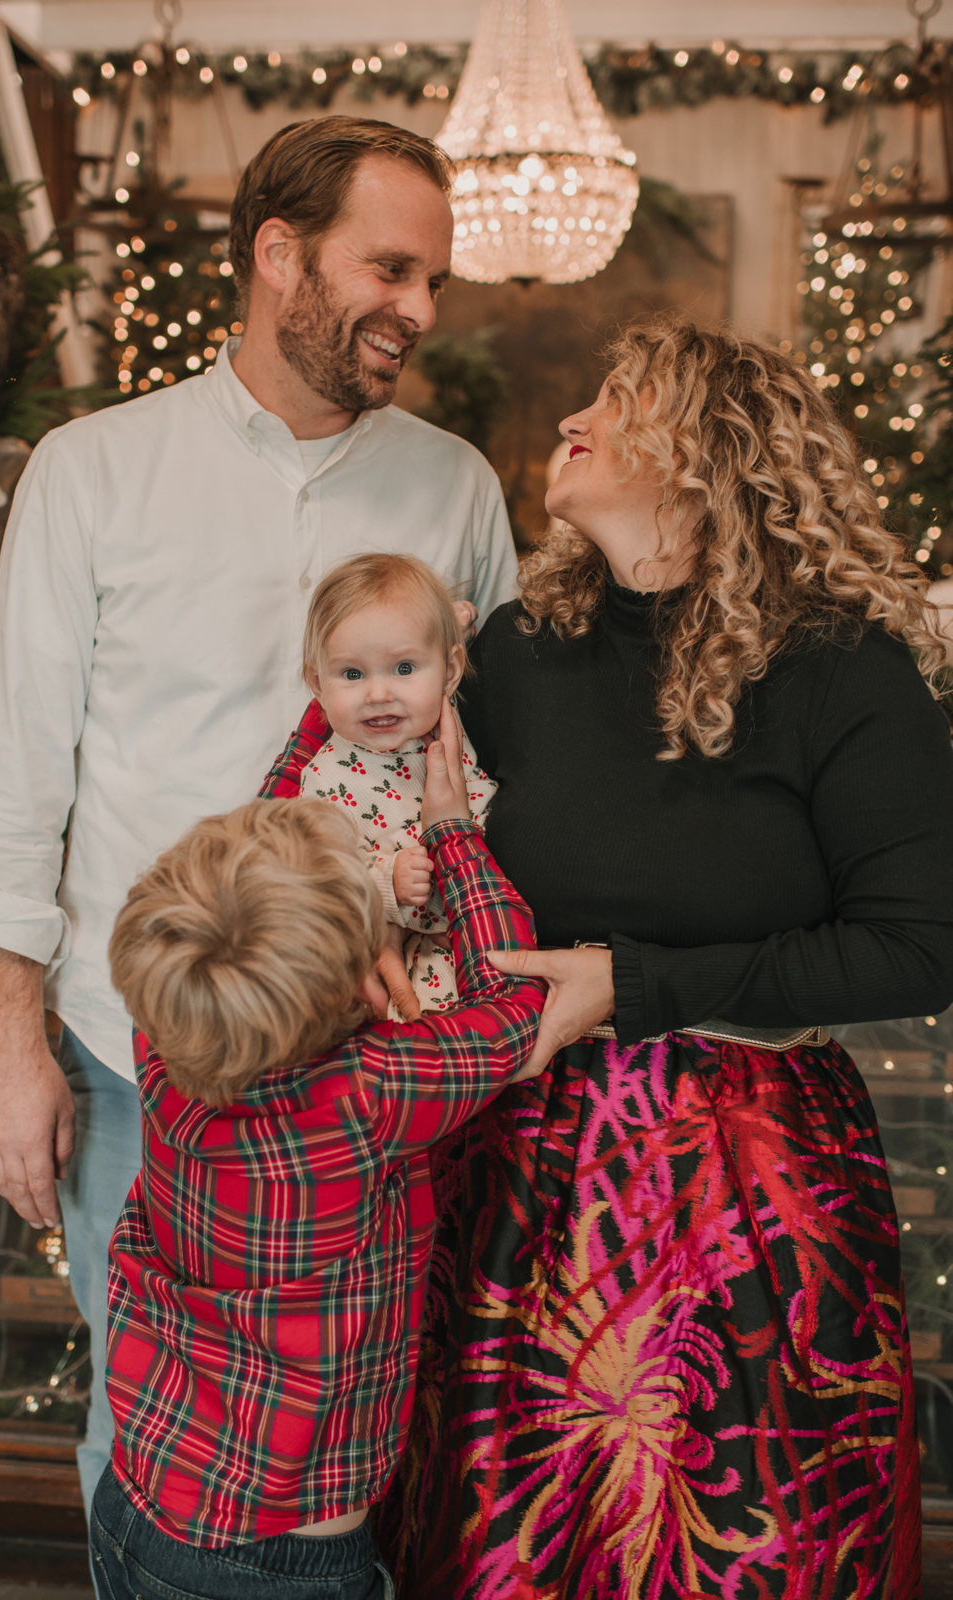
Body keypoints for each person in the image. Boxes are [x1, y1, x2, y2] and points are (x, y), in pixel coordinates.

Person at [270, 318, 953, 1597]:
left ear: (701, 459)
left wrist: (630, 986)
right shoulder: (517, 652)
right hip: (507, 1175)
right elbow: (372, 804)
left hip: (752, 1193)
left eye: (615, 399)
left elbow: (917, 950)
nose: (573, 415)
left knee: (745, 1549)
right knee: (491, 1550)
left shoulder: (841, 671)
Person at [0, 114, 517, 1515]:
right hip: (138, 1063)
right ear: (279, 254)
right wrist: (11, 1050)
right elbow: (18, 784)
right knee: (147, 1437)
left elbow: (500, 763)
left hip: (386, 1079)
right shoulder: (93, 470)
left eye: (435, 281)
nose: (420, 310)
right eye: (390, 269)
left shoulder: (455, 486)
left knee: (379, 1441)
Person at [92, 703, 561, 1599]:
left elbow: (259, 860)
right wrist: (453, 831)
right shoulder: (369, 1091)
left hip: (138, 1498)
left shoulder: (164, 1031)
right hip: (280, 1564)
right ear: (352, 979)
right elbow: (512, 993)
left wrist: (320, 725)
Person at [285, 552, 496, 1014]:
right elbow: (322, 878)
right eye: (352, 674)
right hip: (413, 952)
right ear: (317, 684)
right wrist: (388, 883)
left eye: (403, 669)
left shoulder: (442, 719)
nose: (378, 694)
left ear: (451, 673)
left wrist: (457, 618)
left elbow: (438, 635)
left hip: (485, 919)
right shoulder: (324, 778)